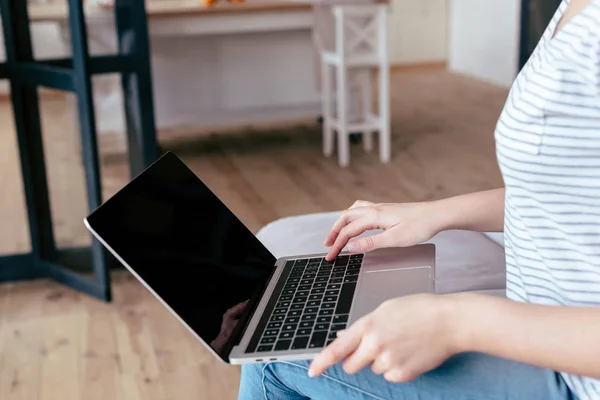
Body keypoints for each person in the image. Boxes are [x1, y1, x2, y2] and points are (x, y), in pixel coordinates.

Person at [238, 0, 600, 399]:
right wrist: (433, 214)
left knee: (274, 358)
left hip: (576, 378)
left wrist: (455, 323)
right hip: (542, 326)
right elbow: (567, 195)